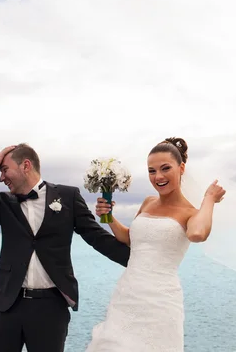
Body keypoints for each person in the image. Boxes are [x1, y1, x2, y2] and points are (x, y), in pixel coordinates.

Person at [0, 143, 130, 352]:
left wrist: (136, 261)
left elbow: (96, 236)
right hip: (7, 305)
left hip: (50, 307)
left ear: (26, 166)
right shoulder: (4, 202)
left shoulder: (68, 197)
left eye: (4, 170)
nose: (2, 178)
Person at [85, 137, 225, 352]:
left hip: (160, 301)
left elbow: (197, 234)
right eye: (151, 171)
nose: (158, 176)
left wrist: (208, 199)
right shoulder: (148, 202)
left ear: (182, 168)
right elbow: (131, 239)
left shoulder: (190, 213)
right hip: (127, 294)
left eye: (165, 168)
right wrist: (109, 216)